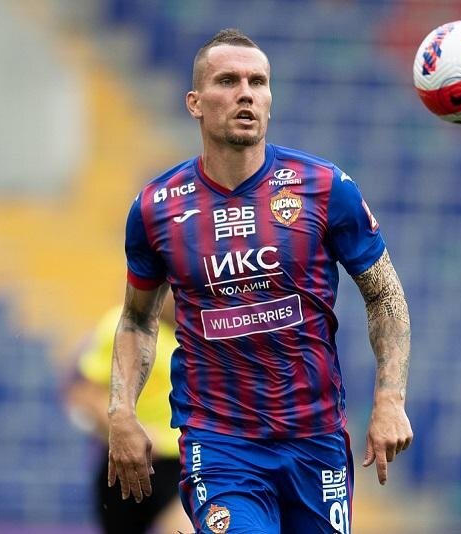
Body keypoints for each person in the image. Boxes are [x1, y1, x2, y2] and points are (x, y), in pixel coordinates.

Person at [106, 28, 413, 533]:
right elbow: (138, 319)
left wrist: (390, 400)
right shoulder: (156, 208)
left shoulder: (325, 188)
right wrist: (121, 411)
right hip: (220, 444)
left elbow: (385, 296)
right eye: (228, 81)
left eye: (258, 82)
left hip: (315, 440)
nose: (246, 93)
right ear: (195, 102)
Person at [65, 292, 193, 533]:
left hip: (180, 463)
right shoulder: (123, 327)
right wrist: (128, 430)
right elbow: (86, 395)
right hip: (125, 463)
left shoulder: (197, 333)